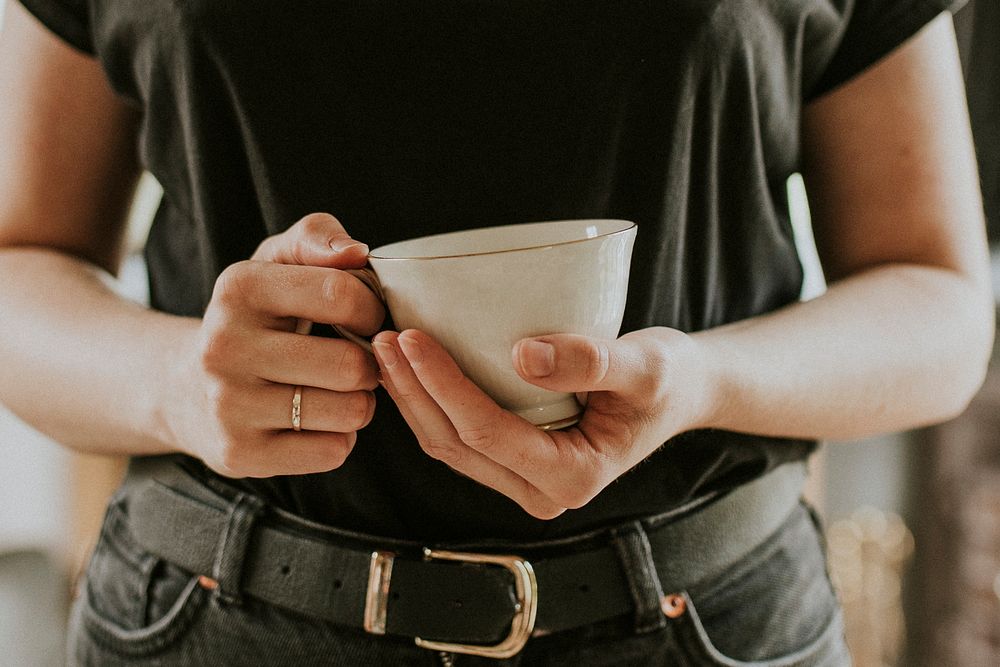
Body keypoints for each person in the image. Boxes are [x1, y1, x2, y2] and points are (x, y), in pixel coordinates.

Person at [0, 0, 992, 665]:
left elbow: (937, 301)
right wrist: (177, 381)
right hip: (220, 622)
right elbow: (20, 262)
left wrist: (703, 381)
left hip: (703, 624)